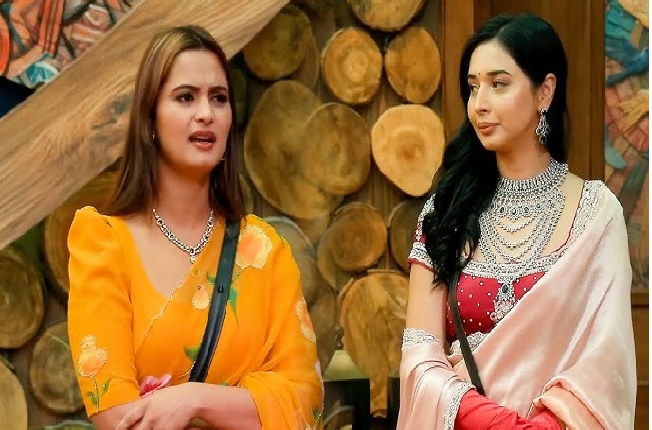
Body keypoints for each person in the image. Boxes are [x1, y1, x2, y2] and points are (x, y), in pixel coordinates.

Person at [67, 25, 324, 430]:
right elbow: (115, 413)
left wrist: (194, 399)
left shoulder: (263, 250)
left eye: (218, 98)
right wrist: (238, 405)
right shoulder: (103, 244)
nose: (206, 113)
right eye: (186, 97)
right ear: (150, 117)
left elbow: (304, 400)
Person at [397, 12, 636, 430]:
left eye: (499, 84)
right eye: (473, 87)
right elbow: (420, 354)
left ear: (545, 91)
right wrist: (495, 423)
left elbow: (605, 361)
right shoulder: (446, 212)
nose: (480, 104)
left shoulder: (596, 214)